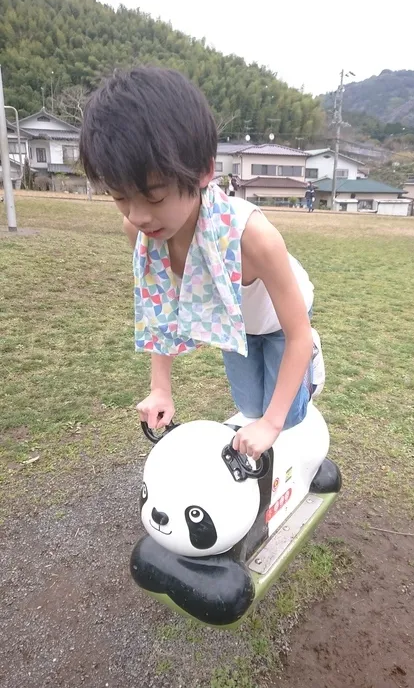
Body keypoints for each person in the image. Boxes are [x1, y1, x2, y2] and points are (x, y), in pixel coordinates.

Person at [79, 67, 325, 460]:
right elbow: (161, 306)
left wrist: (272, 423)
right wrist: (161, 389)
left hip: (285, 321)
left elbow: (296, 331)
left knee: (286, 413)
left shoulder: (254, 238)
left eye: (153, 196)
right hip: (235, 319)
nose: (138, 215)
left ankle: (311, 370)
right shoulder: (141, 232)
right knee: (249, 404)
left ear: (204, 172)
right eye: (120, 197)